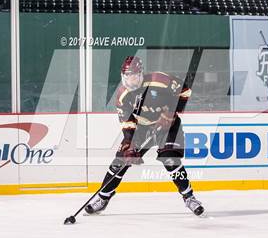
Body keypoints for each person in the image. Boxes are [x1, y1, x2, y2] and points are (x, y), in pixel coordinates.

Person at [85, 56, 204, 216]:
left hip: (168, 125)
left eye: (133, 75)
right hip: (141, 128)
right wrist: (128, 143)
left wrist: (170, 113)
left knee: (170, 159)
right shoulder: (122, 95)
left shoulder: (159, 80)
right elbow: (128, 122)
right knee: (120, 161)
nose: (130, 79)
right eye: (127, 76)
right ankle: (102, 198)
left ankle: (189, 198)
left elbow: (185, 91)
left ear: (141, 73)